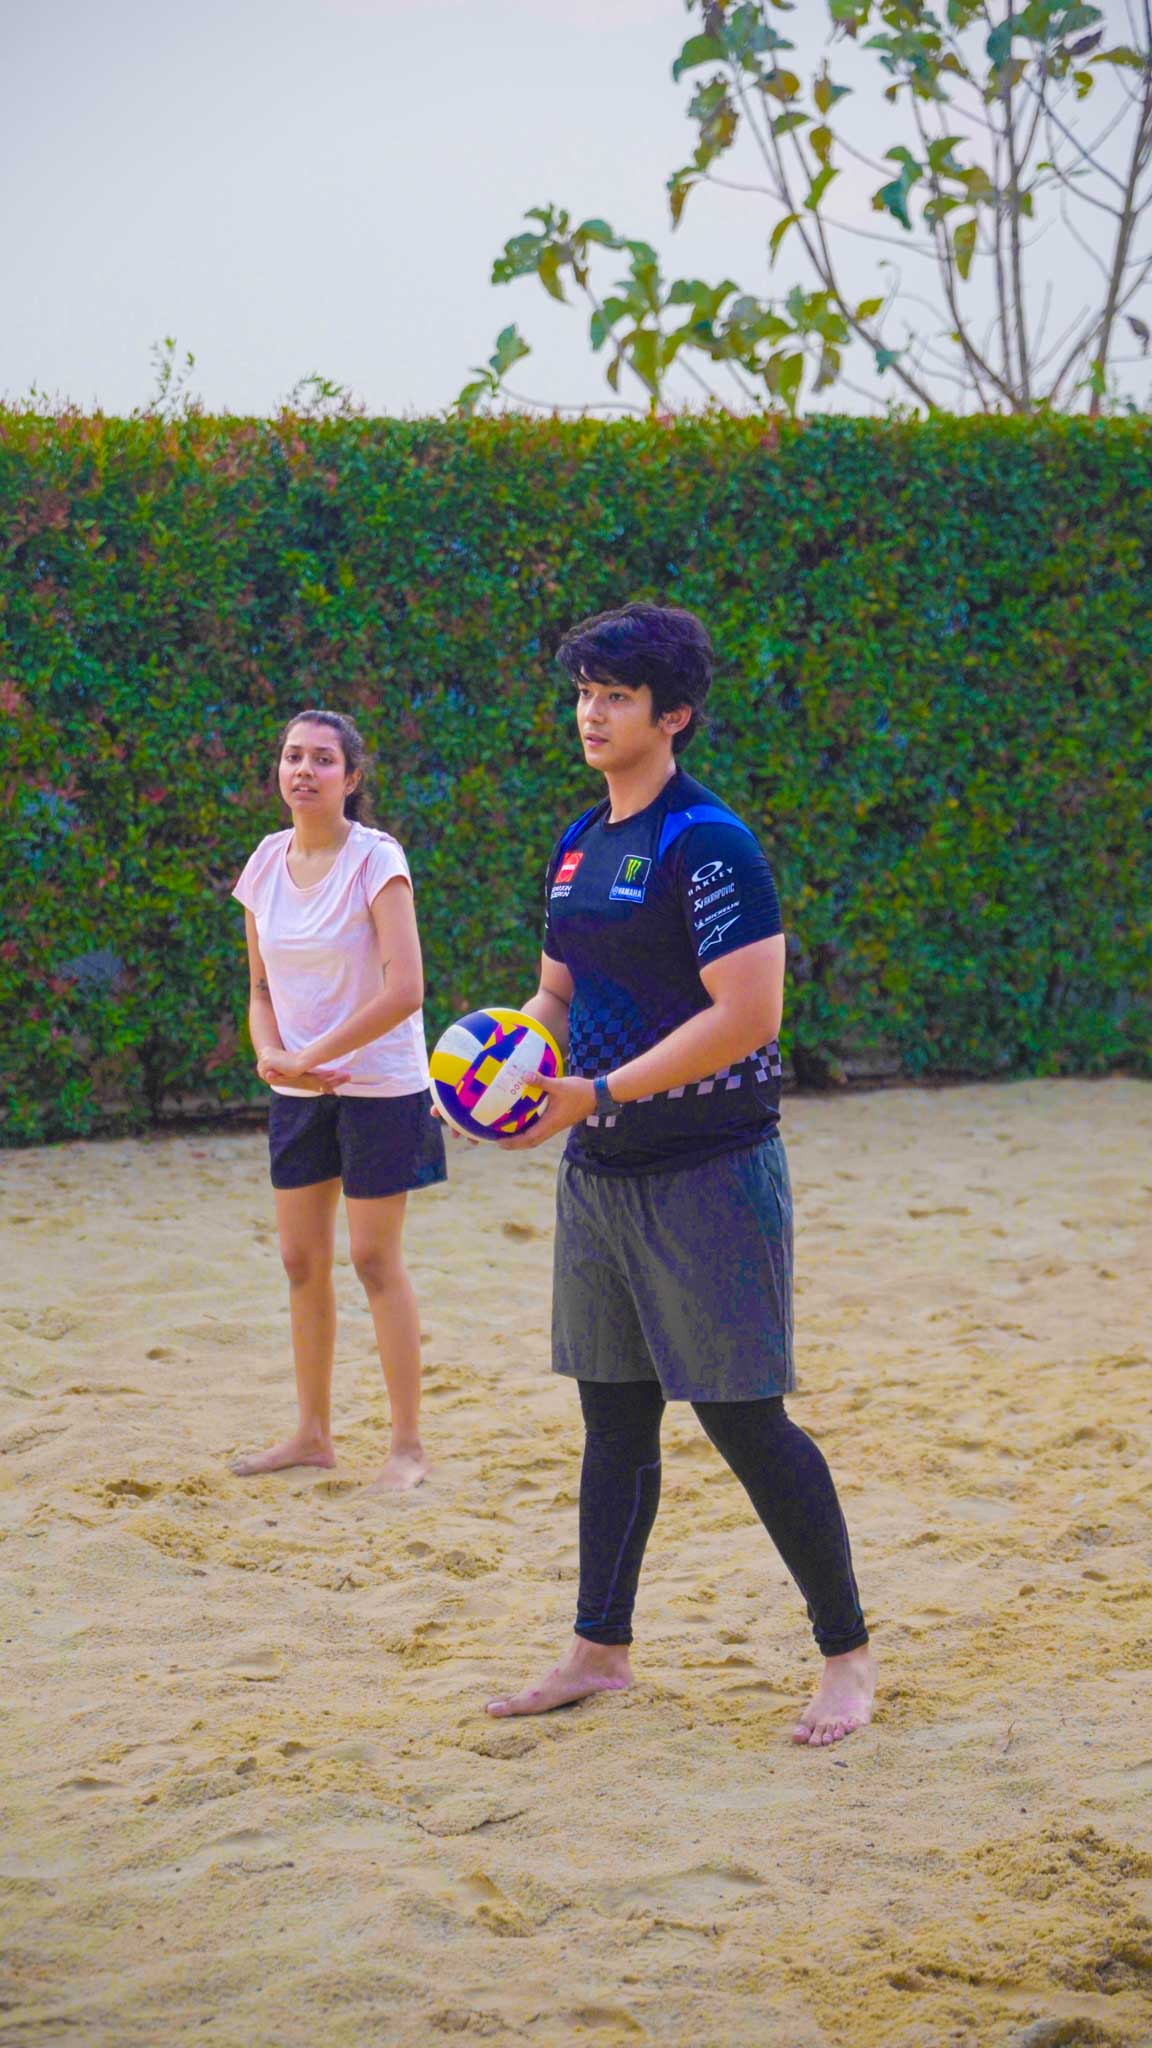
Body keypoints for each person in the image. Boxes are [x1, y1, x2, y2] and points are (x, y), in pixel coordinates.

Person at [485, 603, 875, 1745]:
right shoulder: (577, 841)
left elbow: (750, 1015)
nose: (591, 714)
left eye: (615, 695)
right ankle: (598, 1649)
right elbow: (556, 995)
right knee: (612, 1418)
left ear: (675, 712)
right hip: (596, 1172)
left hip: (709, 1166)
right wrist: (509, 1073)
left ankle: (846, 1658)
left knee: (748, 1420)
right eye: (584, 694)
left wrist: (599, 1091)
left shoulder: (712, 843)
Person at [231, 709, 446, 1490]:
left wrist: (315, 1055)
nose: (304, 770)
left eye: (323, 759)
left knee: (373, 1258)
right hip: (297, 1086)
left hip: (380, 1085)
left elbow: (407, 989)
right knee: (299, 1260)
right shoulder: (263, 863)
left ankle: (406, 1450)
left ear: (351, 779)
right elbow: (259, 990)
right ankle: (312, 1435)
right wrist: (271, 1054)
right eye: (292, 756)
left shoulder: (376, 860)